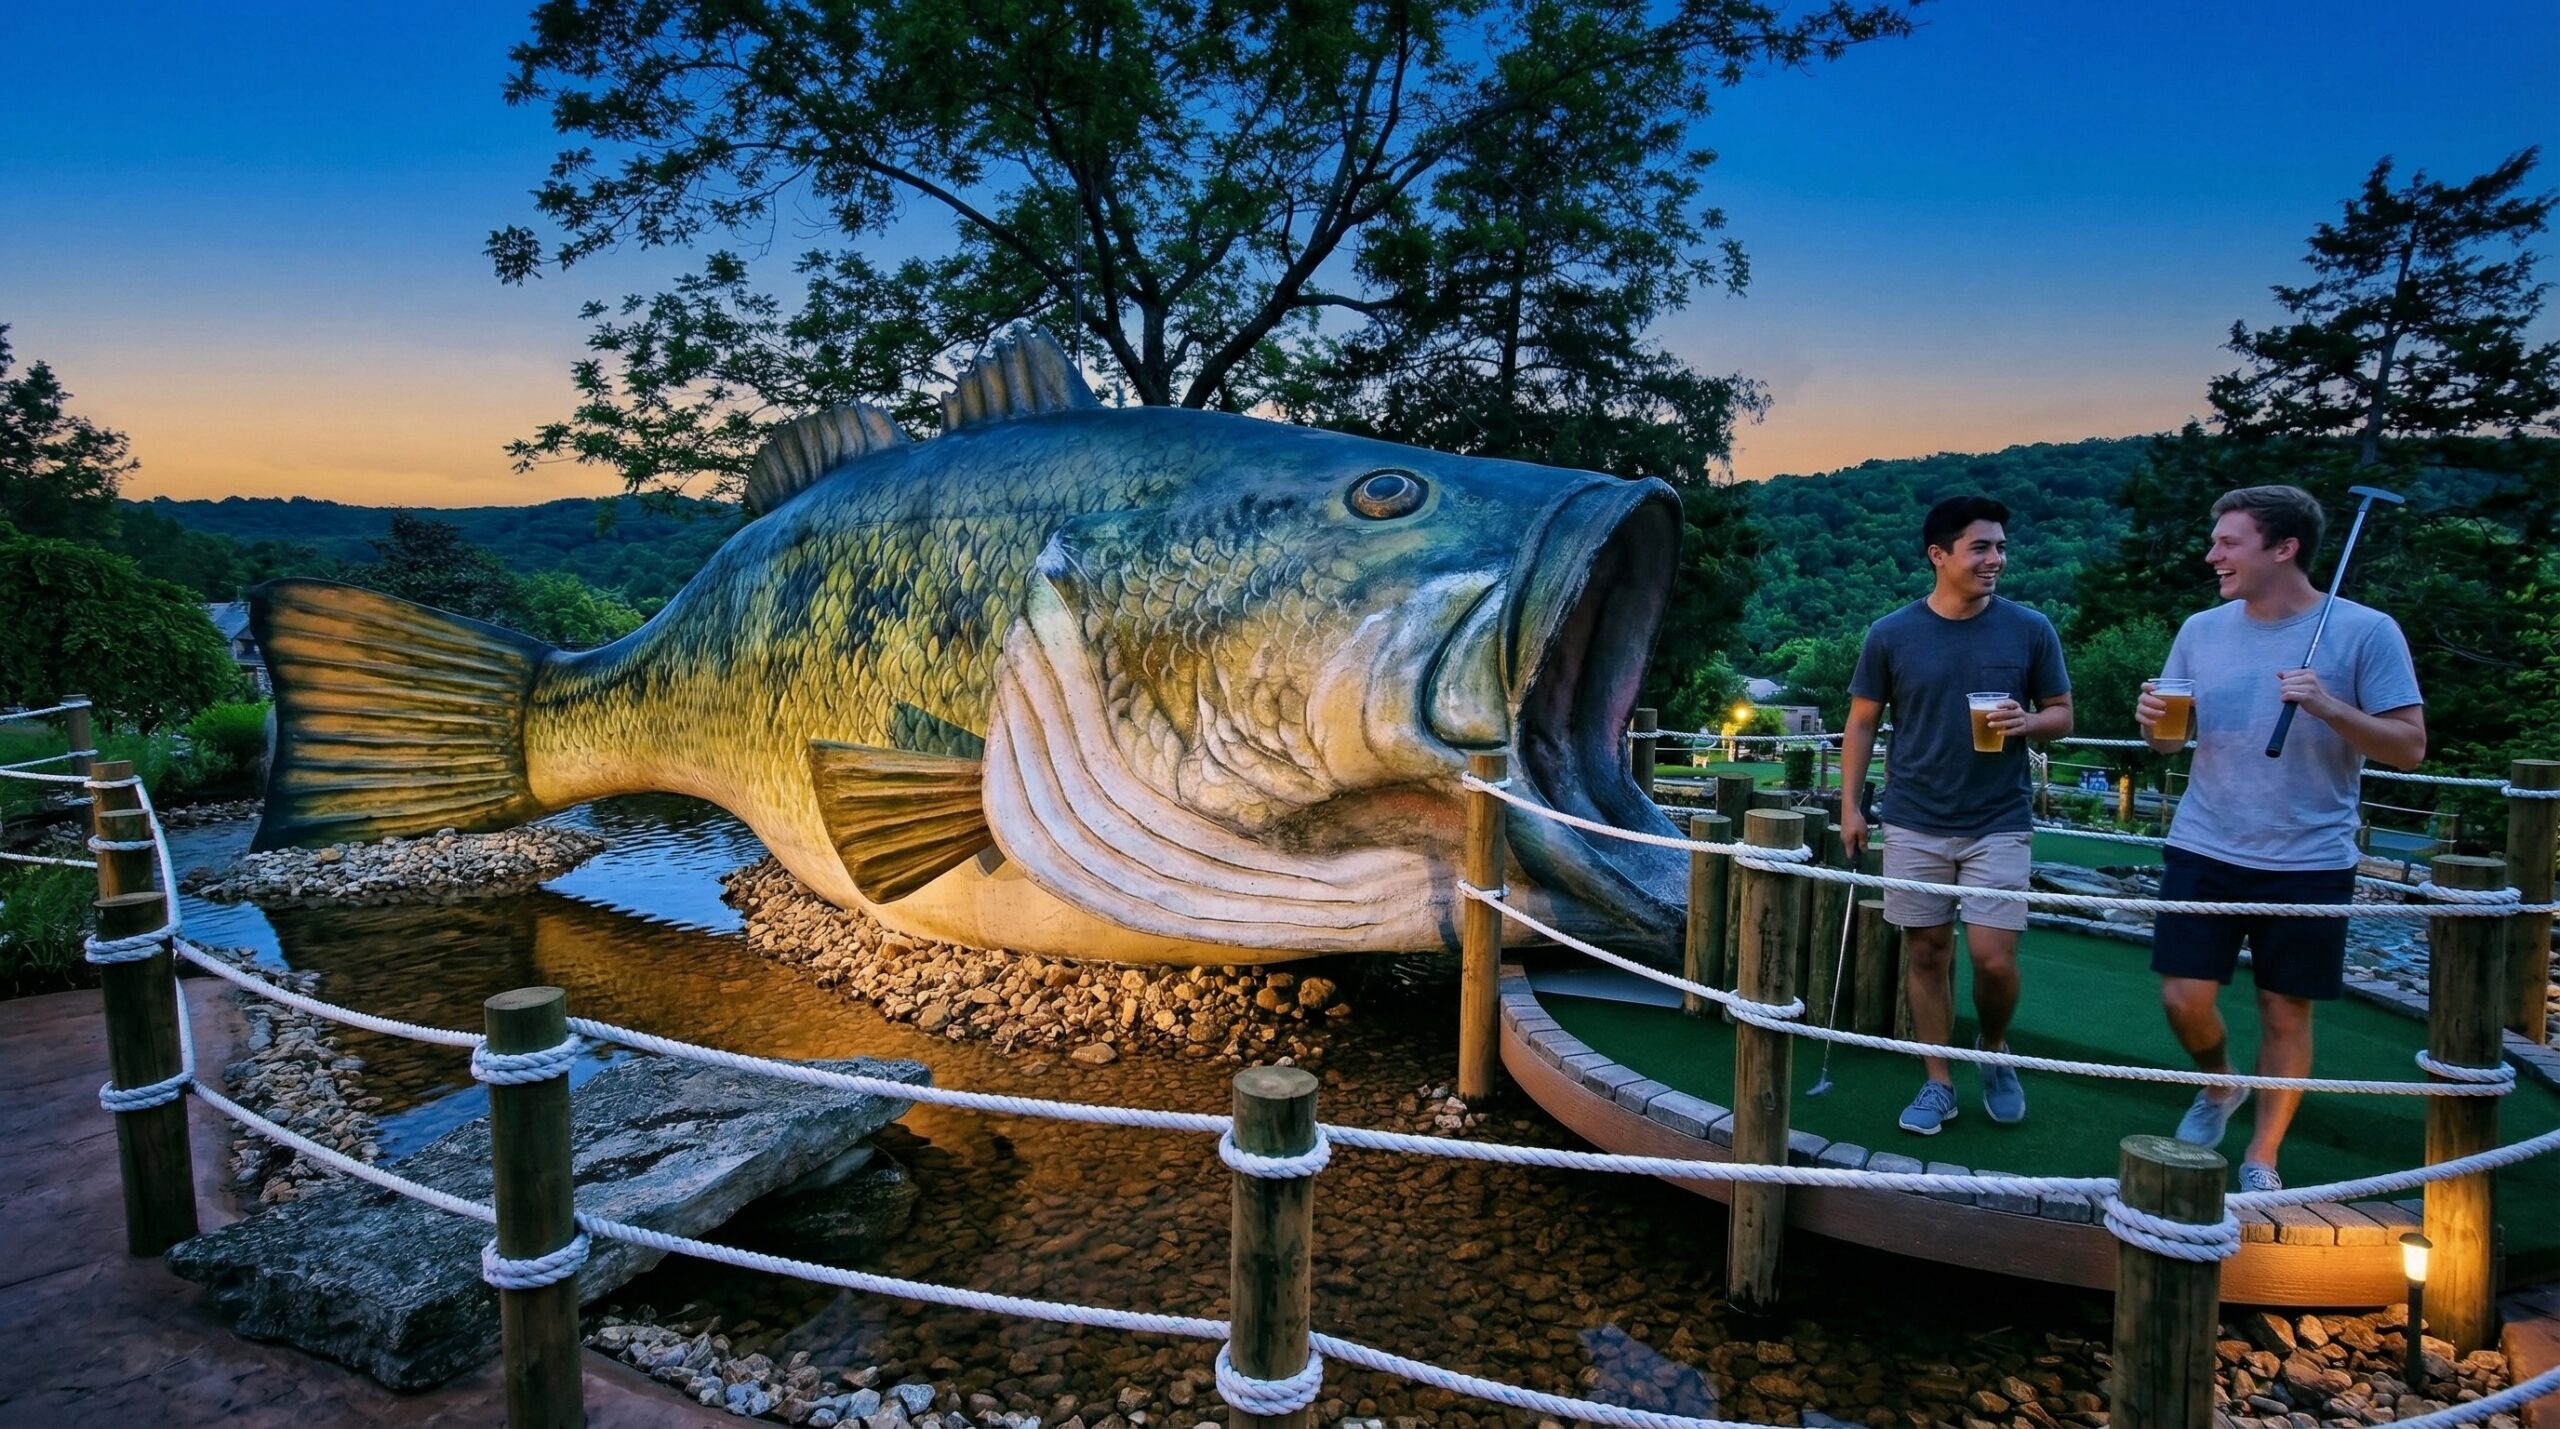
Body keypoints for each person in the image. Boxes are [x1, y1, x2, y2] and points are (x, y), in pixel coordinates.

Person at [2139, 484, 2424, 1192]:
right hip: (2205, 842)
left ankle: (2262, 1157)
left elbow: (2409, 747)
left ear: (2284, 547)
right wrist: (2156, 725)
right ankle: (2220, 1082)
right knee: (2182, 997)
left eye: (2228, 542)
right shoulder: (2200, 629)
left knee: (2284, 1008)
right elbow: (2169, 744)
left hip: (2310, 856)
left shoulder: (2366, 631)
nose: (2212, 555)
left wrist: (2328, 705)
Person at [1839, 496, 2074, 1135]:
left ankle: (1993, 1047)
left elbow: (2062, 713)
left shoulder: (2030, 628)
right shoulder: (1891, 633)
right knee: (1927, 951)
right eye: (1981, 548)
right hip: (1914, 817)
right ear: (1939, 555)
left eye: (2001, 547)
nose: (1996, 559)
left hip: (1999, 819)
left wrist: (2028, 722)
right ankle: (1938, 1081)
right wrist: (1851, 806)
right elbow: (1861, 723)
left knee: (1994, 959)